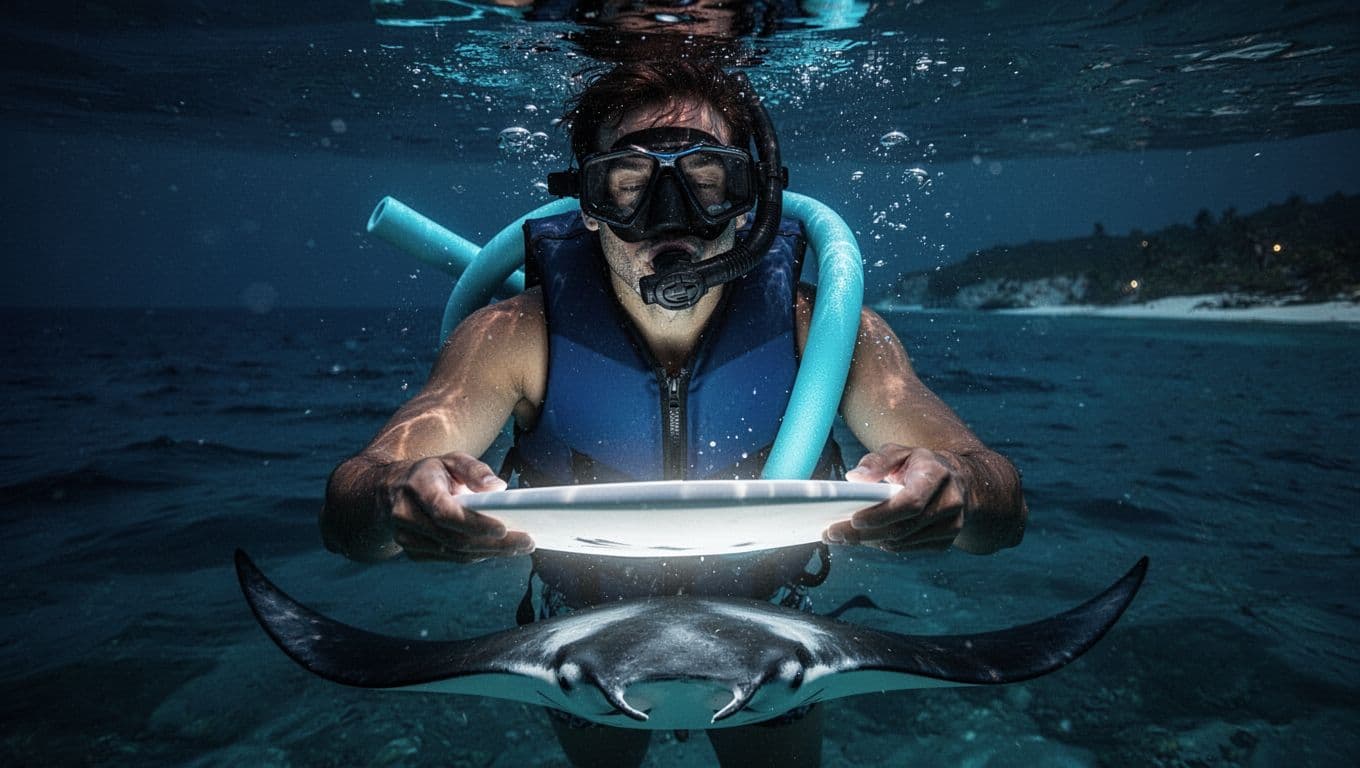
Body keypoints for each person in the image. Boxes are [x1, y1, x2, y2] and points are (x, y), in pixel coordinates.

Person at [320, 60, 1027, 768]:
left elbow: (1000, 504)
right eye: (628, 186)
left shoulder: (831, 332)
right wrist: (397, 497)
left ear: (749, 197)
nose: (669, 220)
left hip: (771, 627)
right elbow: (354, 512)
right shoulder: (510, 335)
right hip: (581, 636)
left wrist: (955, 492)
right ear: (588, 205)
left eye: (705, 181)